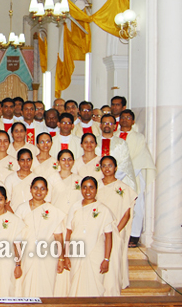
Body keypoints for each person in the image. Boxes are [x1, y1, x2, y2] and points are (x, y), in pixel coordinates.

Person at [14, 177, 66, 297]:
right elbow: (16, 239)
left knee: (46, 287)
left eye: (42, 188)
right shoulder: (22, 208)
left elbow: (58, 237)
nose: (39, 191)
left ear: (47, 191)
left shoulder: (53, 211)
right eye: (36, 188)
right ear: (31, 189)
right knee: (26, 287)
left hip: (47, 256)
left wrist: (61, 259)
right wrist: (17, 262)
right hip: (27, 254)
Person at [65, 177, 114, 297]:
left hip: (95, 255)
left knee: (95, 287)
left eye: (91, 187)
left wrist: (106, 259)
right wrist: (66, 255)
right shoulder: (75, 207)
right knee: (76, 285)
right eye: (84, 187)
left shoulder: (103, 210)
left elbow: (108, 237)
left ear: (96, 189)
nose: (88, 190)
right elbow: (68, 233)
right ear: (81, 189)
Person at [97, 156, 137, 294]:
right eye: (104, 165)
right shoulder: (95, 185)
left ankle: (112, 292)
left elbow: (126, 214)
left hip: (115, 231)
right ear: (100, 168)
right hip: (97, 232)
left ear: (116, 167)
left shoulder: (124, 188)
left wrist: (115, 231)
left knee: (112, 262)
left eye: (110, 165)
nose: (107, 168)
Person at [116, 109, 156, 247]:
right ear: (119, 120)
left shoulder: (139, 137)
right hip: (113, 176)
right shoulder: (113, 135)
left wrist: (121, 174)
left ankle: (134, 235)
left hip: (133, 176)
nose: (125, 120)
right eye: (123, 117)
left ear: (133, 121)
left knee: (136, 206)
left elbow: (140, 157)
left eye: (128, 118)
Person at [47, 149, 83, 296]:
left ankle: (71, 294)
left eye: (69, 159)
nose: (66, 162)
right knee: (56, 256)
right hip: (56, 223)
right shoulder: (52, 179)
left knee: (72, 256)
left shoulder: (79, 180)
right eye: (63, 159)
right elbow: (47, 202)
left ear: (73, 162)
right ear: (58, 162)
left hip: (74, 223)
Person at [96, 114, 136, 191]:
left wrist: (111, 180)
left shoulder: (121, 143)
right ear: (100, 125)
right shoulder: (93, 142)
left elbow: (124, 164)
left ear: (115, 126)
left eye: (110, 123)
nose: (107, 125)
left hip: (117, 181)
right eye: (104, 123)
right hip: (97, 182)